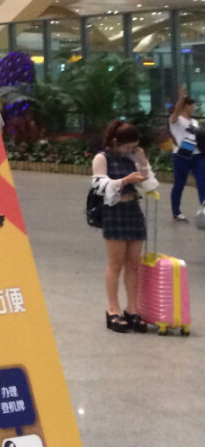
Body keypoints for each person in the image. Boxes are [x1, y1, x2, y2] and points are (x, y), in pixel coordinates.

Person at [91, 120, 157, 333]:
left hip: (133, 211)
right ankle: (113, 309)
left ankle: (133, 309)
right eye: (128, 147)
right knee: (116, 264)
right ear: (116, 142)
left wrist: (142, 160)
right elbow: (99, 185)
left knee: (134, 264)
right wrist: (124, 181)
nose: (130, 150)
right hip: (114, 211)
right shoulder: (102, 158)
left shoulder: (131, 158)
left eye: (133, 147)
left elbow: (149, 184)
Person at [168, 85, 202, 223]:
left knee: (202, 182)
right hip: (181, 156)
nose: (192, 107)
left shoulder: (194, 121)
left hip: (197, 155)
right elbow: (176, 112)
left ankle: (203, 210)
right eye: (190, 105)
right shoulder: (175, 120)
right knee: (179, 184)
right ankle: (176, 211)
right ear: (184, 106)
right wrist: (181, 98)